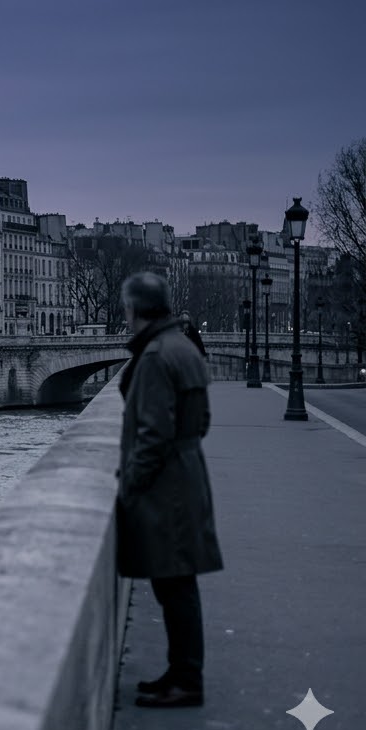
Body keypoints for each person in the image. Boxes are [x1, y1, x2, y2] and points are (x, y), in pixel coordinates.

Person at [116, 272, 222, 708]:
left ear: (134, 310)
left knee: (174, 583)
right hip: (187, 471)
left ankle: (185, 679)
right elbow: (201, 422)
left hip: (167, 486)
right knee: (178, 580)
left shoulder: (158, 356)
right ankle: (181, 672)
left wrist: (130, 486)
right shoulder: (183, 347)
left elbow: (153, 434)